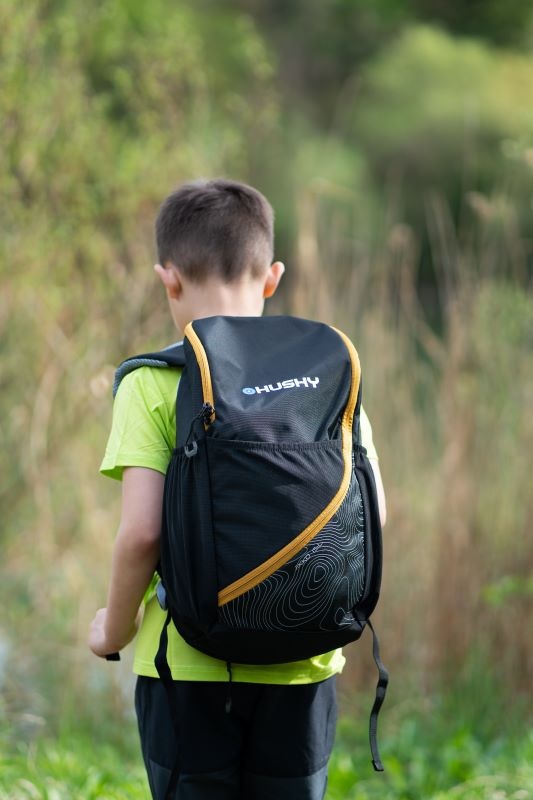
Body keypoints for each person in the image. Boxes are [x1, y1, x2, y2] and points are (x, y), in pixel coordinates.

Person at [89, 178, 386, 800]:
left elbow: (142, 533)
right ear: (273, 277)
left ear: (168, 279)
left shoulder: (152, 382)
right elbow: (374, 511)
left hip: (186, 666)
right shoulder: (327, 372)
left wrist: (112, 630)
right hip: (304, 662)